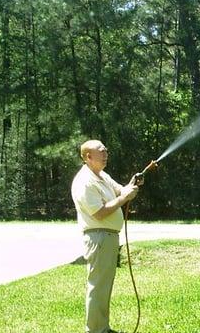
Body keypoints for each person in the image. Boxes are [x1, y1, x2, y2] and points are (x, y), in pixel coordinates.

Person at [71, 139, 141, 333]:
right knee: (98, 286)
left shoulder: (101, 175)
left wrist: (132, 183)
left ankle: (102, 328)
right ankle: (95, 330)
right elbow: (100, 213)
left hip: (107, 237)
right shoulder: (85, 182)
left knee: (103, 286)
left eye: (106, 150)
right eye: (100, 150)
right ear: (88, 157)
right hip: (98, 238)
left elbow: (120, 190)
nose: (105, 152)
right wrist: (124, 198)